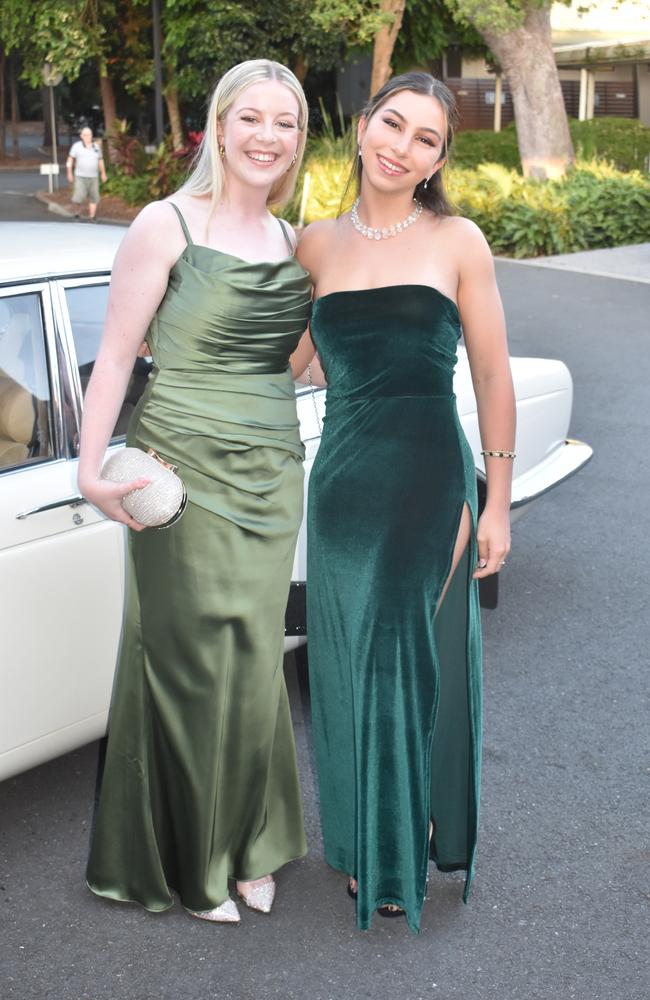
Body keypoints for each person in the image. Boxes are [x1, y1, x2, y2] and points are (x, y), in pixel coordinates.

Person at [78, 60, 311, 924]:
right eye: (248, 117)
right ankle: (194, 858)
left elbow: (292, 362)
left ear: (297, 139)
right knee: (184, 662)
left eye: (283, 122)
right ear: (217, 128)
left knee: (255, 662)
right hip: (179, 473)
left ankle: (253, 841)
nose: (265, 136)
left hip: (270, 473)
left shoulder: (294, 242)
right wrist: (89, 466)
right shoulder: (164, 222)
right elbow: (115, 354)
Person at [296, 72, 516, 933]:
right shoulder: (312, 245)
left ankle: (392, 851)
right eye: (393, 124)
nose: (404, 146)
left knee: (396, 660)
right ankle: (360, 838)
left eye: (426, 139)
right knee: (347, 666)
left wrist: (497, 502)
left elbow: (493, 373)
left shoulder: (457, 239)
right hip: (341, 485)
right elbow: (286, 363)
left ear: (437, 159)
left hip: (427, 477)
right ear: (360, 127)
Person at [66, 126, 107, 221]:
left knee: (94, 197)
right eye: (85, 135)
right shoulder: (76, 146)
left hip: (94, 177)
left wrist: (103, 173)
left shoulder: (96, 147)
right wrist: (69, 173)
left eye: (89, 135)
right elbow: (70, 159)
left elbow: (100, 160)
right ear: (81, 136)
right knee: (78, 198)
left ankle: (92, 217)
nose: (88, 137)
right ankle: (77, 214)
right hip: (80, 176)